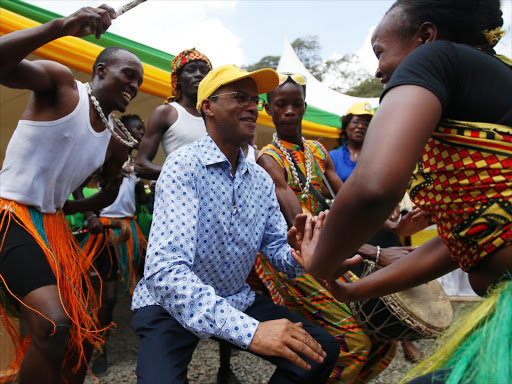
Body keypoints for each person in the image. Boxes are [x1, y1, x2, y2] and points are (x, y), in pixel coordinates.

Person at [297, 1, 512, 383]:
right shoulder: (495, 83)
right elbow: (460, 243)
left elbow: (373, 187)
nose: (378, 69)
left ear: (425, 37)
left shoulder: (434, 58)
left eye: (380, 51)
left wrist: (319, 265)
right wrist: (353, 292)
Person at [130, 64, 340, 384]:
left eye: (255, 100)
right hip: (169, 304)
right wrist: (251, 331)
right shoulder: (184, 165)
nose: (252, 107)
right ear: (208, 107)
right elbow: (165, 272)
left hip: (233, 297)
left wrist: (302, 255)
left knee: (319, 352)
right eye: (240, 97)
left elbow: (276, 248)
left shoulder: (259, 178)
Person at [0, 5, 144, 384]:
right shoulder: (62, 85)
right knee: (53, 325)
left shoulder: (113, 142)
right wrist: (62, 27)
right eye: (128, 75)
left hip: (53, 228)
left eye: (139, 83)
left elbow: (72, 202)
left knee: (82, 331)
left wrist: (108, 190)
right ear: (100, 71)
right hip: (9, 218)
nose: (133, 86)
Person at [255, 74, 410, 383]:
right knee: (354, 343)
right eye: (280, 105)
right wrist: (373, 251)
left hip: (325, 251)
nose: (289, 111)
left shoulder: (317, 151)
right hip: (294, 259)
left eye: (296, 104)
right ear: (268, 109)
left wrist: (389, 221)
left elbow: (346, 199)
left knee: (383, 340)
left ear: (304, 107)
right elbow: (300, 227)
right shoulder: (268, 159)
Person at [330, 101, 425, 363]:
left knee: (395, 280)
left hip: (383, 228)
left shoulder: (382, 153)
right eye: (356, 121)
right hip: (352, 231)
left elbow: (393, 183)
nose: (361, 125)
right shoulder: (333, 157)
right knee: (359, 280)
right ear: (346, 125)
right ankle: (365, 336)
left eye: (367, 121)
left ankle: (406, 340)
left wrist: (393, 201)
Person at [76, 114, 149, 375]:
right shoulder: (105, 159)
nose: (142, 133)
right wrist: (89, 215)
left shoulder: (137, 166)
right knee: (107, 296)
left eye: (143, 129)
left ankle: (158, 344)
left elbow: (140, 199)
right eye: (137, 129)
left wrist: (142, 188)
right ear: (122, 132)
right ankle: (99, 349)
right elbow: (76, 186)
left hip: (131, 232)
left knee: (151, 284)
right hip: (106, 232)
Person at [135, 48, 212, 180]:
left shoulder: (215, 116)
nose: (198, 74)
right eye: (191, 69)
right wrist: (188, 174)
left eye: (204, 71)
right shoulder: (166, 113)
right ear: (179, 79)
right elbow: (141, 165)